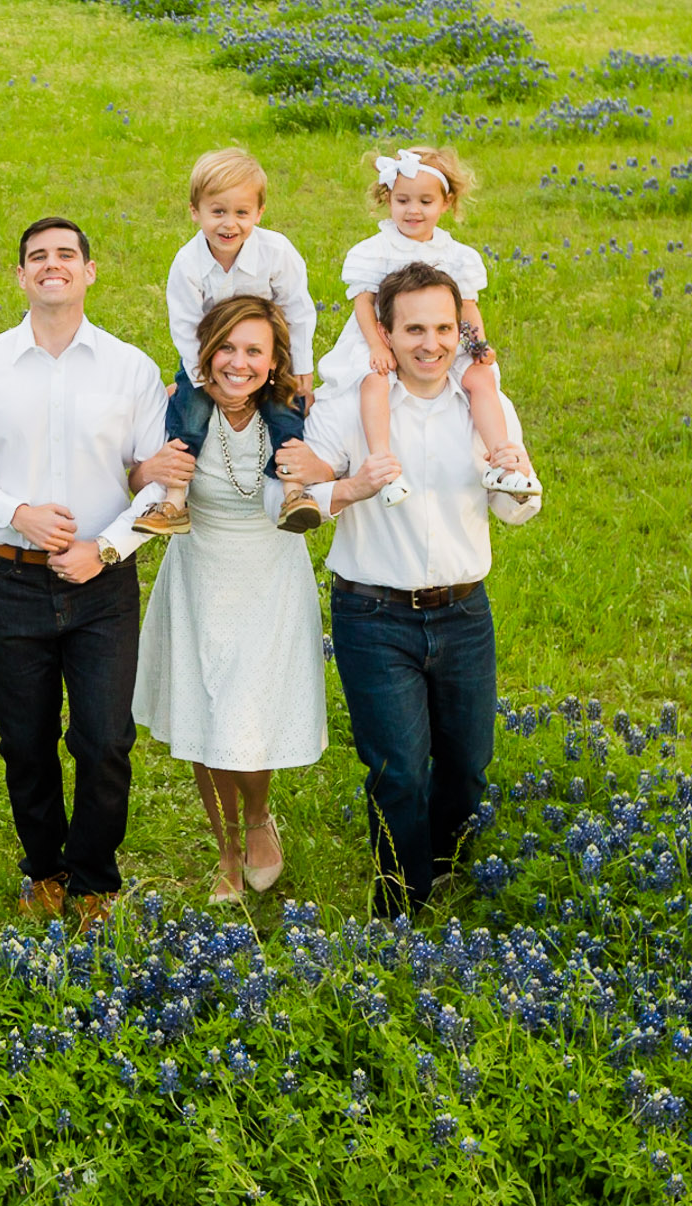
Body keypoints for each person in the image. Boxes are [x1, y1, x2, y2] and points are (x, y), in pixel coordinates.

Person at [278, 261, 542, 916]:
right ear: (386, 335)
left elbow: (518, 510)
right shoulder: (349, 412)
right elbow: (298, 498)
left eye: (444, 328)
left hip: (462, 612)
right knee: (397, 766)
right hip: (373, 613)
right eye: (415, 328)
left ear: (462, 330)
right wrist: (355, 486)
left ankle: (449, 872)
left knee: (467, 764)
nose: (432, 343)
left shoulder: (487, 407)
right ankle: (401, 901)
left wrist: (510, 474)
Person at [0, 216, 166, 926]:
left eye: (67, 255)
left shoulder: (132, 369)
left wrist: (106, 547)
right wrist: (17, 510)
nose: (52, 265)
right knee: (24, 740)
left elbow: (160, 484)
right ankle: (44, 868)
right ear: (21, 276)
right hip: (10, 577)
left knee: (104, 739)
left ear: (90, 272)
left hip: (103, 582)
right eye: (38, 257)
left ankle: (95, 877)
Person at [132, 297, 334, 903]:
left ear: (274, 362)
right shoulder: (177, 411)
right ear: (205, 352)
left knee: (249, 713)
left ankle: (257, 815)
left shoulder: (293, 415)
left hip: (270, 575)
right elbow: (128, 472)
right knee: (206, 715)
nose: (237, 363)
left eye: (254, 351)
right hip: (198, 570)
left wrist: (323, 469)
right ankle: (225, 849)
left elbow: (325, 483)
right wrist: (149, 471)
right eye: (226, 348)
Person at [318, 145, 524, 507]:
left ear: (446, 203)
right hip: (382, 334)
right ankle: (384, 468)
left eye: (425, 202)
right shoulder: (376, 249)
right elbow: (364, 304)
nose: (413, 210)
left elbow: (468, 309)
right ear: (388, 199)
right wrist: (377, 347)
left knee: (481, 379)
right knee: (374, 381)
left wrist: (478, 345)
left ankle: (501, 461)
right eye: (403, 200)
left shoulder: (457, 256)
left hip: (442, 337)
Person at [133, 147, 321, 536]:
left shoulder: (276, 252)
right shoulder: (187, 264)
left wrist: (301, 368)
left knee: (286, 411)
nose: (229, 223)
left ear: (259, 213)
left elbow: (298, 309)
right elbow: (185, 328)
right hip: (208, 360)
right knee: (187, 416)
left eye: (241, 212)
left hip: (266, 356)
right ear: (195, 212)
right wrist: (207, 383)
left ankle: (293, 491)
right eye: (217, 211)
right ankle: (174, 499)